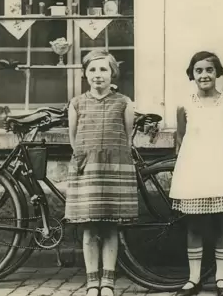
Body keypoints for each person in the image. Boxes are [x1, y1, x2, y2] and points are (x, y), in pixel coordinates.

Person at [169, 51, 223, 296]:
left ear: (217, 73)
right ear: (192, 74)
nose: (204, 75)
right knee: (195, 225)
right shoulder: (185, 104)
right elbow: (180, 139)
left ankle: (221, 277)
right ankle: (193, 279)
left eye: (209, 70)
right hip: (194, 169)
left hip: (220, 168)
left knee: (222, 223)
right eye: (199, 71)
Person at [65, 50, 138, 296]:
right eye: (93, 70)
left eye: (103, 70)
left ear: (112, 73)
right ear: (85, 74)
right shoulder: (76, 104)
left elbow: (127, 139)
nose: (98, 75)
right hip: (88, 170)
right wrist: (85, 161)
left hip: (113, 169)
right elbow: (74, 139)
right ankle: (92, 281)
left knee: (110, 227)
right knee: (90, 228)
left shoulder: (124, 103)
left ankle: (108, 281)